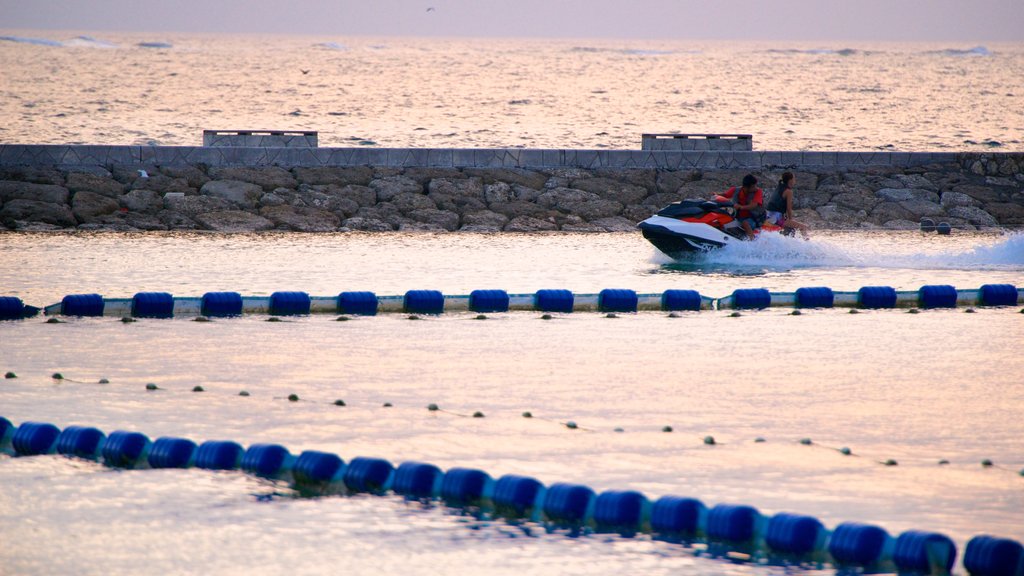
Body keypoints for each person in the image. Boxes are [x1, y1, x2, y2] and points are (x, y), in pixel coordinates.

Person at [766, 172, 810, 238]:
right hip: (776, 218)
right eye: (794, 179)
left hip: (769, 216)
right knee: (803, 227)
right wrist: (790, 220)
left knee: (791, 229)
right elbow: (789, 208)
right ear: (790, 180)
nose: (795, 181)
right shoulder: (788, 191)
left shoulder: (779, 187)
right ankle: (808, 245)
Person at [720, 174, 764, 239]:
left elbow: (753, 205)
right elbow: (725, 195)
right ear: (746, 187)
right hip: (739, 217)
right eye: (753, 186)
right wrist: (716, 195)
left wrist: (741, 207)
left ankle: (752, 241)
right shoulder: (735, 190)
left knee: (745, 223)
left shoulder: (758, 192)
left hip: (755, 219)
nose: (755, 188)